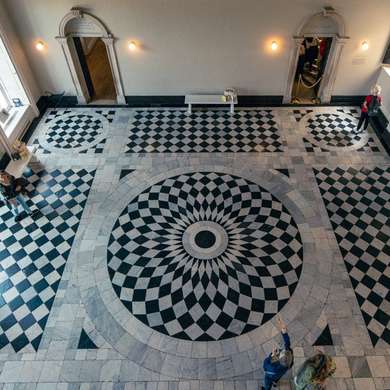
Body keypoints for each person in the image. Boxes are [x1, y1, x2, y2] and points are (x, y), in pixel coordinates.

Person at [262, 316, 294, 390]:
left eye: (280, 353)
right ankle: (275, 382)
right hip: (281, 372)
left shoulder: (271, 366)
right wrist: (282, 327)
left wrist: (272, 355)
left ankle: (267, 389)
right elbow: (287, 342)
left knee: (267, 383)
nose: (280, 351)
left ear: (278, 358)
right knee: (278, 376)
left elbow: (265, 365)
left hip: (271, 375)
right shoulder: (289, 357)